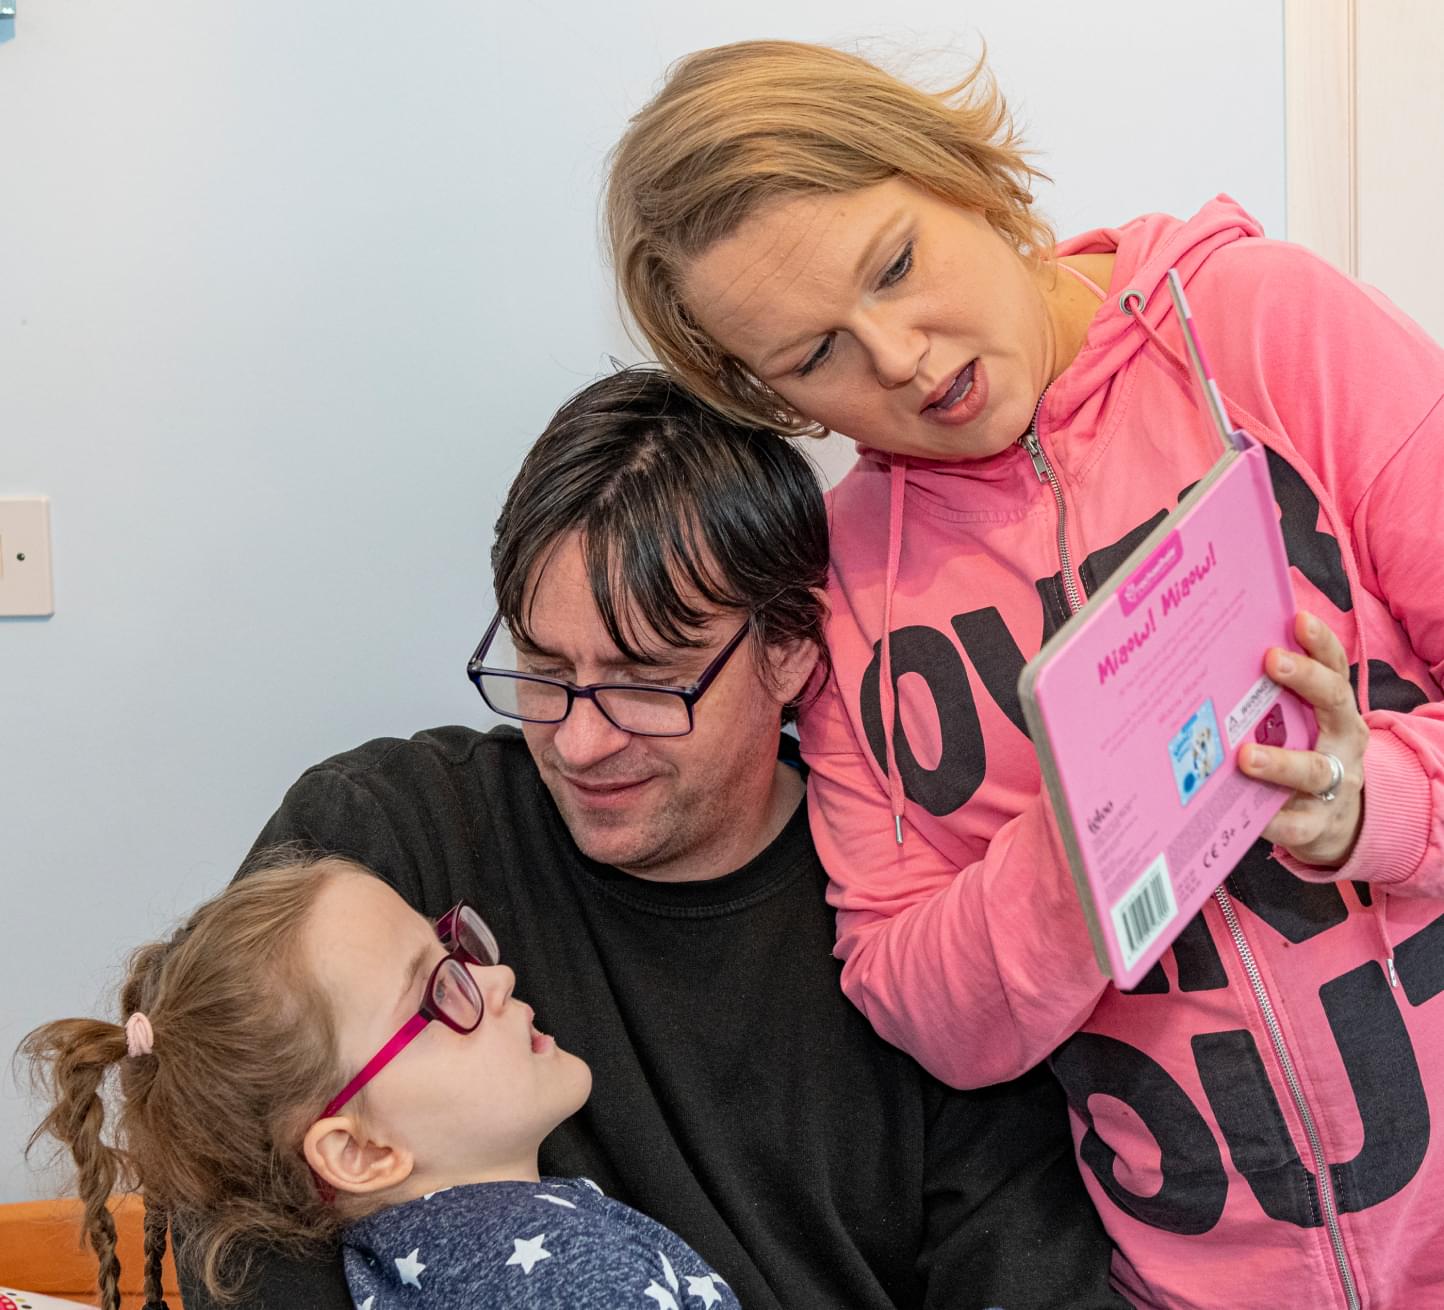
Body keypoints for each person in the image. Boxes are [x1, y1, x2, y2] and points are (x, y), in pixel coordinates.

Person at [604, 39, 1444, 1310]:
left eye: (893, 264)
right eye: (812, 355)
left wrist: (1372, 797)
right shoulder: (846, 591)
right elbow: (914, 1001)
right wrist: (1085, 839)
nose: (892, 355)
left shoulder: (1263, 330)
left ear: (966, 177)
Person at [178, 368, 1125, 1309]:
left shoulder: (928, 936)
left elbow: (1029, 1274)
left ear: (791, 649)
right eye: (544, 669)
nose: (582, 742)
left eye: (648, 682)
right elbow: (225, 1195)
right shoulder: (381, 840)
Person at [23, 853, 741, 1309]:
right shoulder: (560, 1275)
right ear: (359, 1152)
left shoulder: (416, 1263)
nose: (495, 977)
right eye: (436, 995)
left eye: (451, 948)